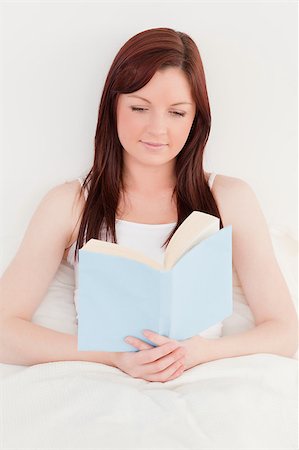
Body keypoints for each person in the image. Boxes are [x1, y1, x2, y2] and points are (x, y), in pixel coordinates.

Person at [0, 28, 297, 382]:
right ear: (113, 106)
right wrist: (113, 357)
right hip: (97, 382)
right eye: (139, 107)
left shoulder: (229, 198)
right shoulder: (70, 202)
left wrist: (199, 353)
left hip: (205, 381)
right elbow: (5, 330)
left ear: (195, 119)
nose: (157, 129)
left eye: (177, 113)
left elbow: (284, 330)